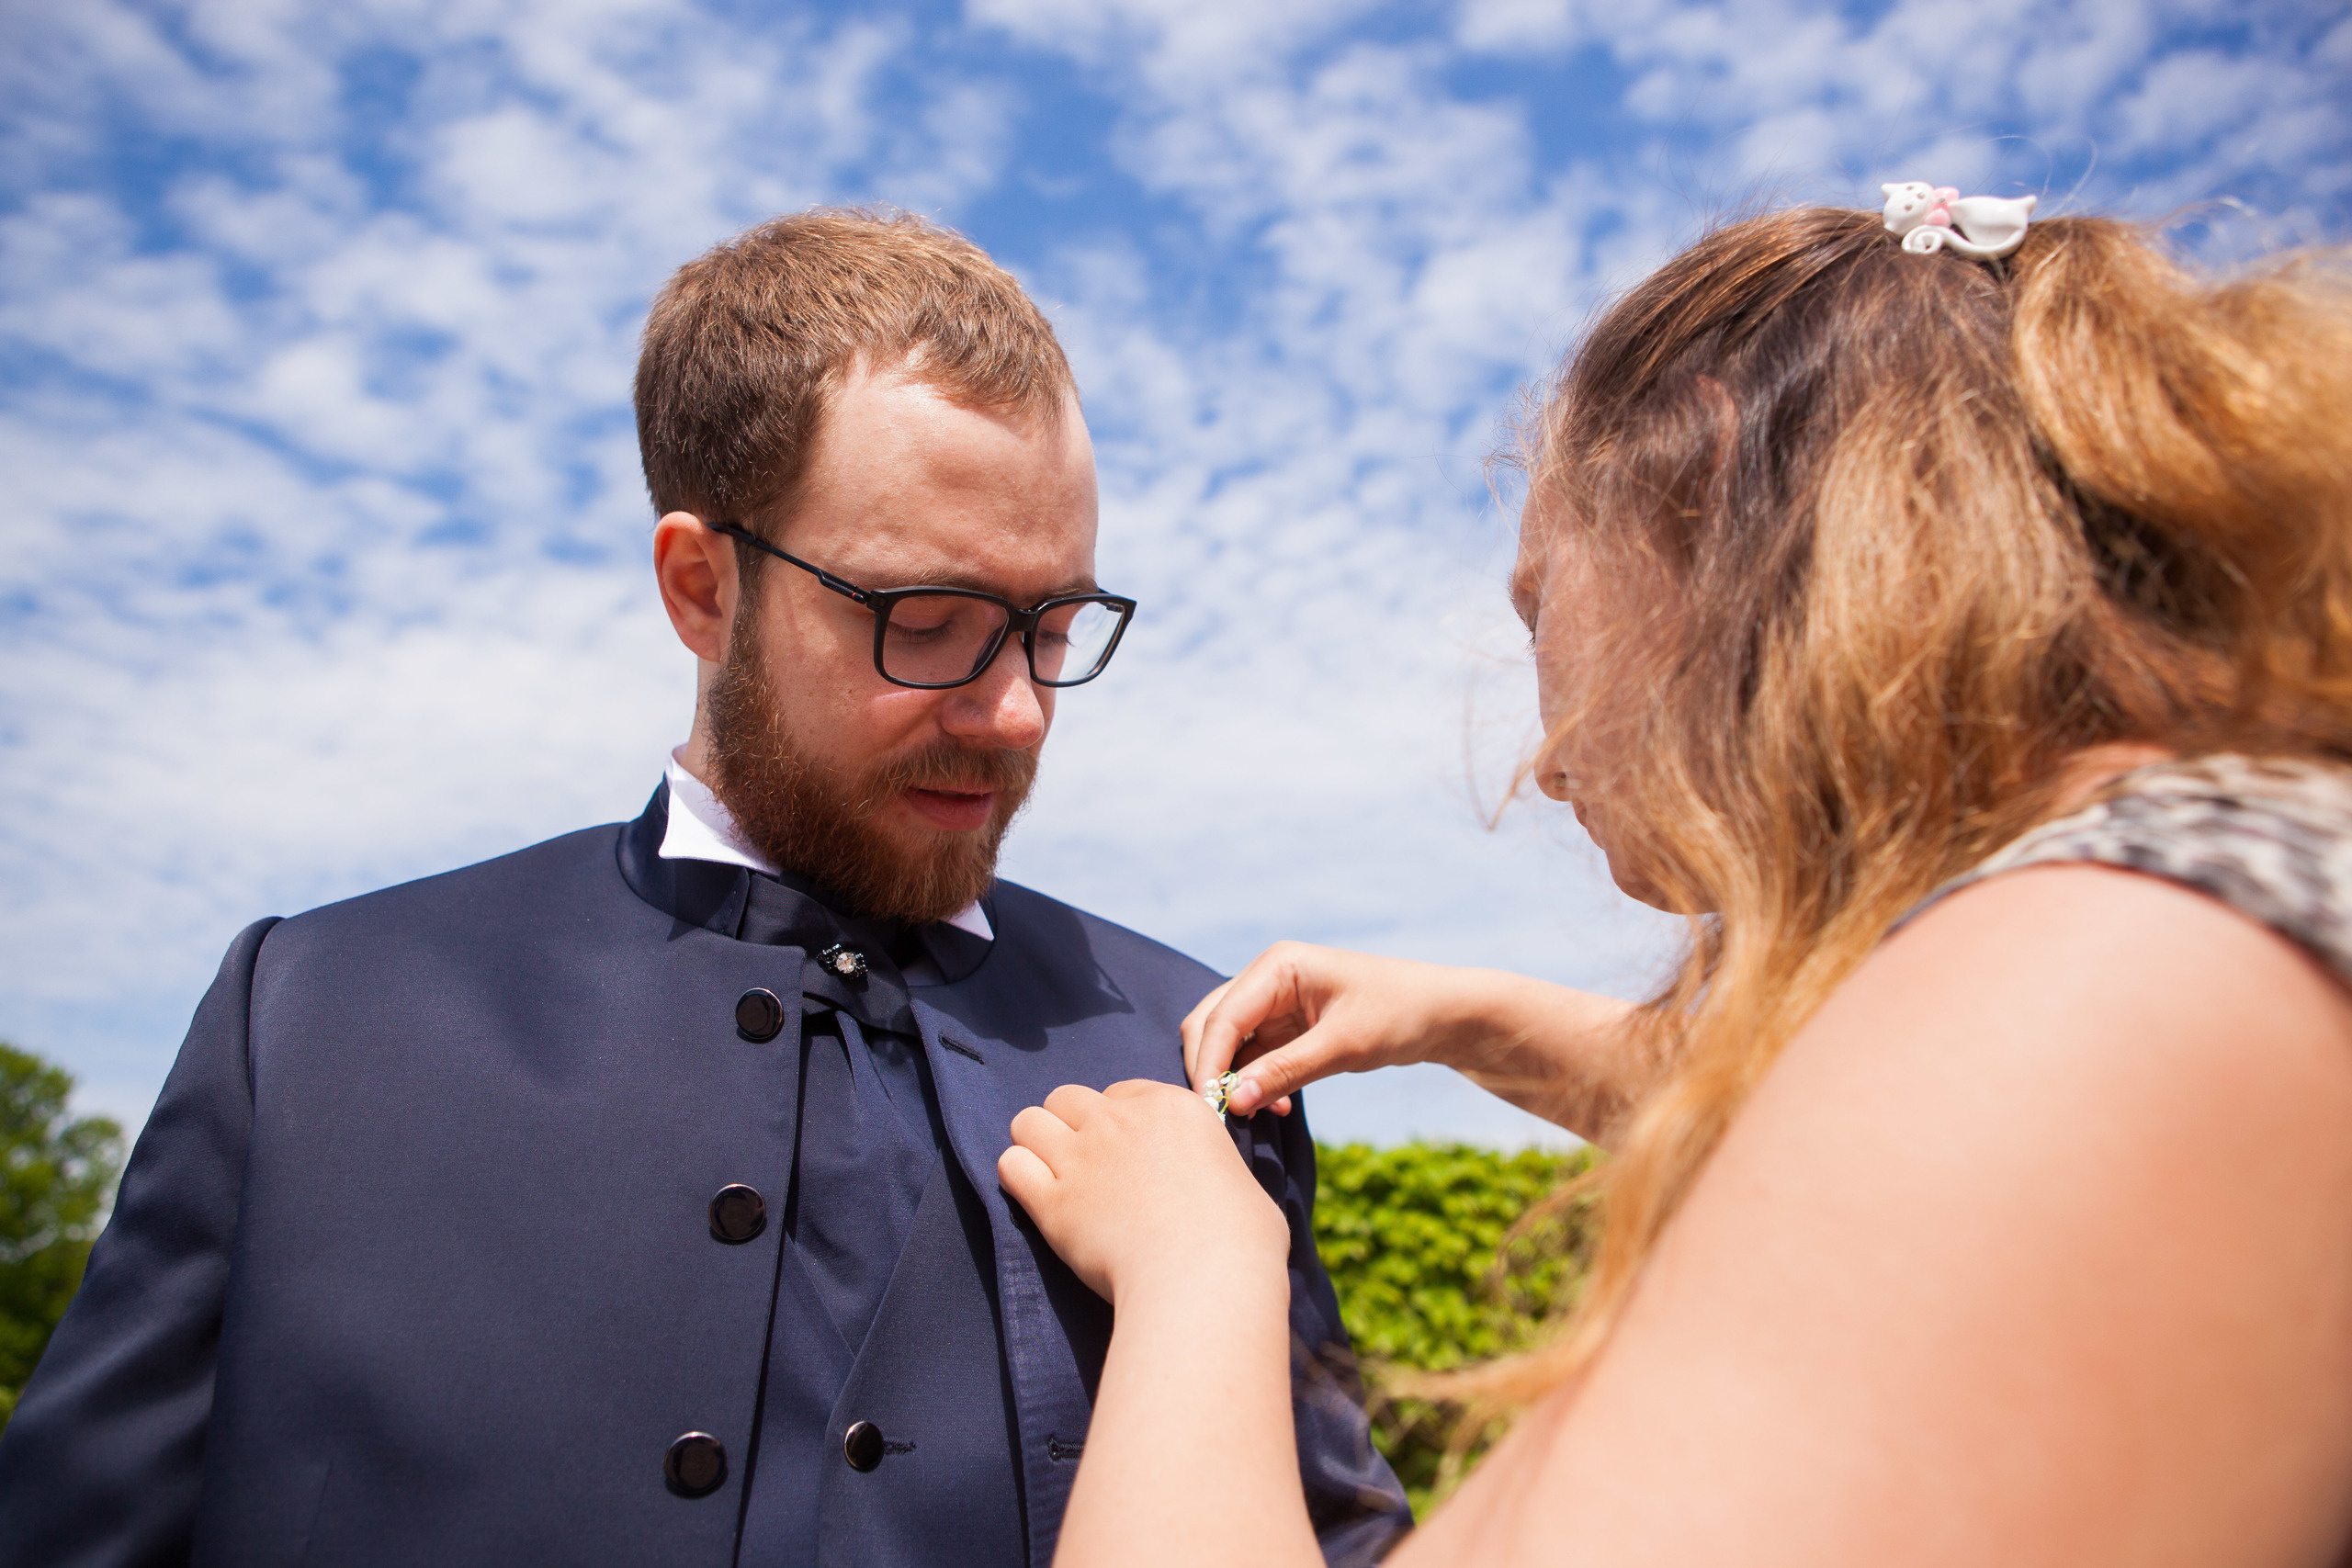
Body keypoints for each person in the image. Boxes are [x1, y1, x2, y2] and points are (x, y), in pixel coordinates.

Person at [0, 210, 1408, 1567]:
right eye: (929, 625)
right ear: (701, 590)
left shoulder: (1196, 1045)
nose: (1020, 713)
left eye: (1054, 626)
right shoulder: (309, 1015)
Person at [998, 197, 2352, 1566]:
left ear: (1707, 500)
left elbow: (1944, 1105)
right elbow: (1807, 1107)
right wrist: (1468, 1017)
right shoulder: (2194, 880)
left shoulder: (2098, 973)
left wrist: (1196, 1270)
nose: (1542, 757)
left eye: (1540, 599)